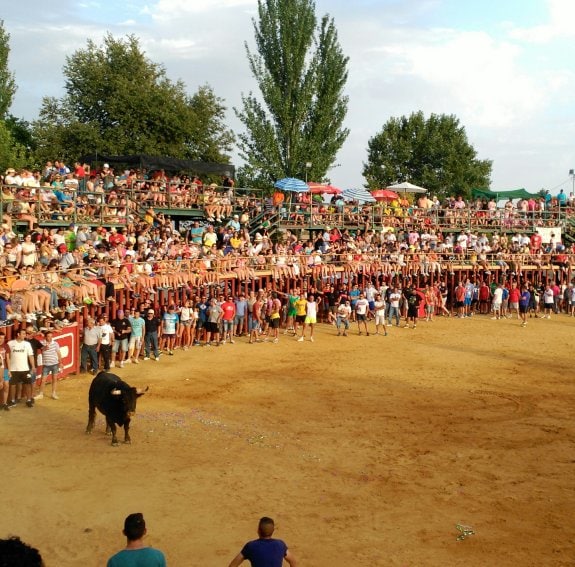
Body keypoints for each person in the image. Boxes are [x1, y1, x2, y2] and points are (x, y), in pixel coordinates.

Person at [227, 516, 297, 567]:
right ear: (273, 531)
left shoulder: (251, 546)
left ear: (258, 531)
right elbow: (293, 562)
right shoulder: (280, 544)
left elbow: (232, 566)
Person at [6, 328, 35, 408]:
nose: (25, 335)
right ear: (18, 334)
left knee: (28, 384)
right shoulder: (10, 343)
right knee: (12, 385)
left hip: (25, 368)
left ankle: (28, 400)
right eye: (23, 334)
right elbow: (7, 356)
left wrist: (33, 366)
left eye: (25, 334)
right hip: (13, 369)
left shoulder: (27, 344)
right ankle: (12, 401)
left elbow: (30, 356)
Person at [40, 330, 63, 399]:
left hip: (54, 364)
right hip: (46, 365)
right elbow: (41, 348)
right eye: (48, 336)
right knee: (43, 380)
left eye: (51, 336)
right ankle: (41, 394)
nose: (50, 338)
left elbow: (58, 353)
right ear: (45, 337)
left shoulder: (55, 343)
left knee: (54, 379)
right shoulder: (41, 343)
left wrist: (60, 362)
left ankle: (53, 393)